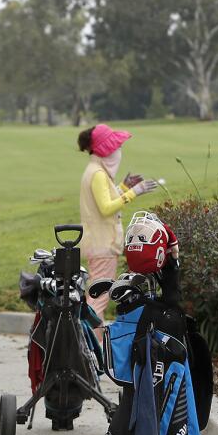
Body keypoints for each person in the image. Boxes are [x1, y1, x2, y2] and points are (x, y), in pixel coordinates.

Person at [76, 124, 157, 329]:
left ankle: (92, 345)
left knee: (98, 296)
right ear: (106, 150)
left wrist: (123, 187)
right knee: (99, 298)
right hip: (103, 245)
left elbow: (104, 199)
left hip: (99, 244)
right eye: (115, 147)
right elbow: (105, 208)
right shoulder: (98, 174)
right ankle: (93, 347)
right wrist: (134, 192)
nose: (118, 152)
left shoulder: (97, 171)